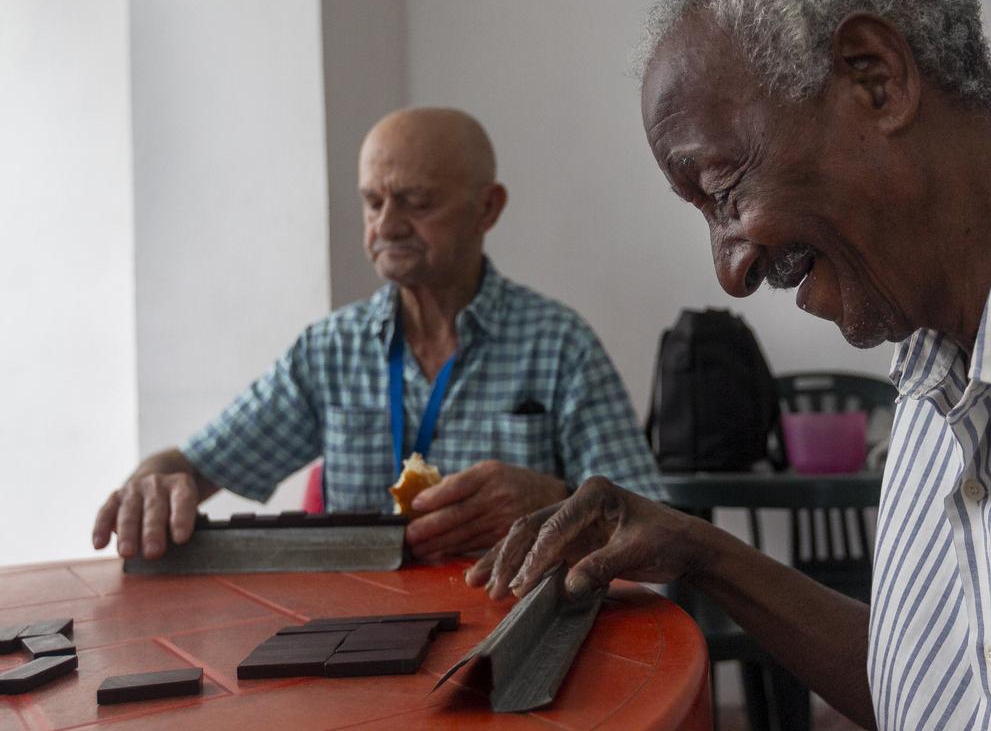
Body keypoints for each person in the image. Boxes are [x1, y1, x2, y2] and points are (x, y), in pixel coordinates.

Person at [468, 0, 991, 729]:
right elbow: (935, 689)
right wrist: (702, 551)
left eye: (724, 189)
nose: (731, 269)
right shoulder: (933, 343)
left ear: (874, 78)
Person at [92, 107, 663, 563]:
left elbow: (655, 528)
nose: (387, 226)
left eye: (417, 203)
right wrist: (154, 480)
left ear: (487, 208)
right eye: (372, 202)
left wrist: (558, 502)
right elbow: (195, 464)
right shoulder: (330, 352)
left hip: (512, 629)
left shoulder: (558, 346)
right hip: (361, 634)